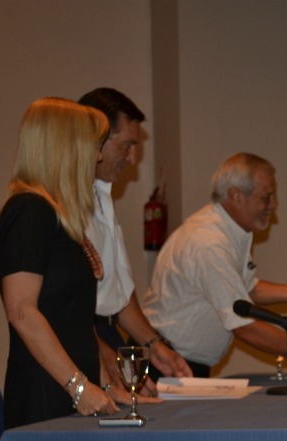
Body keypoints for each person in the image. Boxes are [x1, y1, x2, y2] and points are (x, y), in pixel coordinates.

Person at [0, 98, 123, 427]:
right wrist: (80, 388)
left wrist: (107, 386)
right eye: (93, 146)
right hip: (46, 399)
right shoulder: (29, 211)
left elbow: (74, 319)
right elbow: (22, 311)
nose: (98, 156)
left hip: (73, 395)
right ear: (66, 149)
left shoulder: (57, 216)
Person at [142, 152, 287, 377]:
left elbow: (246, 289)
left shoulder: (231, 232)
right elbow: (243, 325)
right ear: (236, 195)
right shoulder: (210, 243)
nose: (273, 206)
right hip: (164, 363)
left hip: (178, 360)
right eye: (266, 197)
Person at [78, 88, 192, 388]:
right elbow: (58, 305)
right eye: (127, 145)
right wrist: (102, 355)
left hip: (106, 334)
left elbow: (119, 292)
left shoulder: (103, 196)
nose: (132, 158)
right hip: (78, 340)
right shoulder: (67, 203)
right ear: (97, 140)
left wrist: (154, 345)